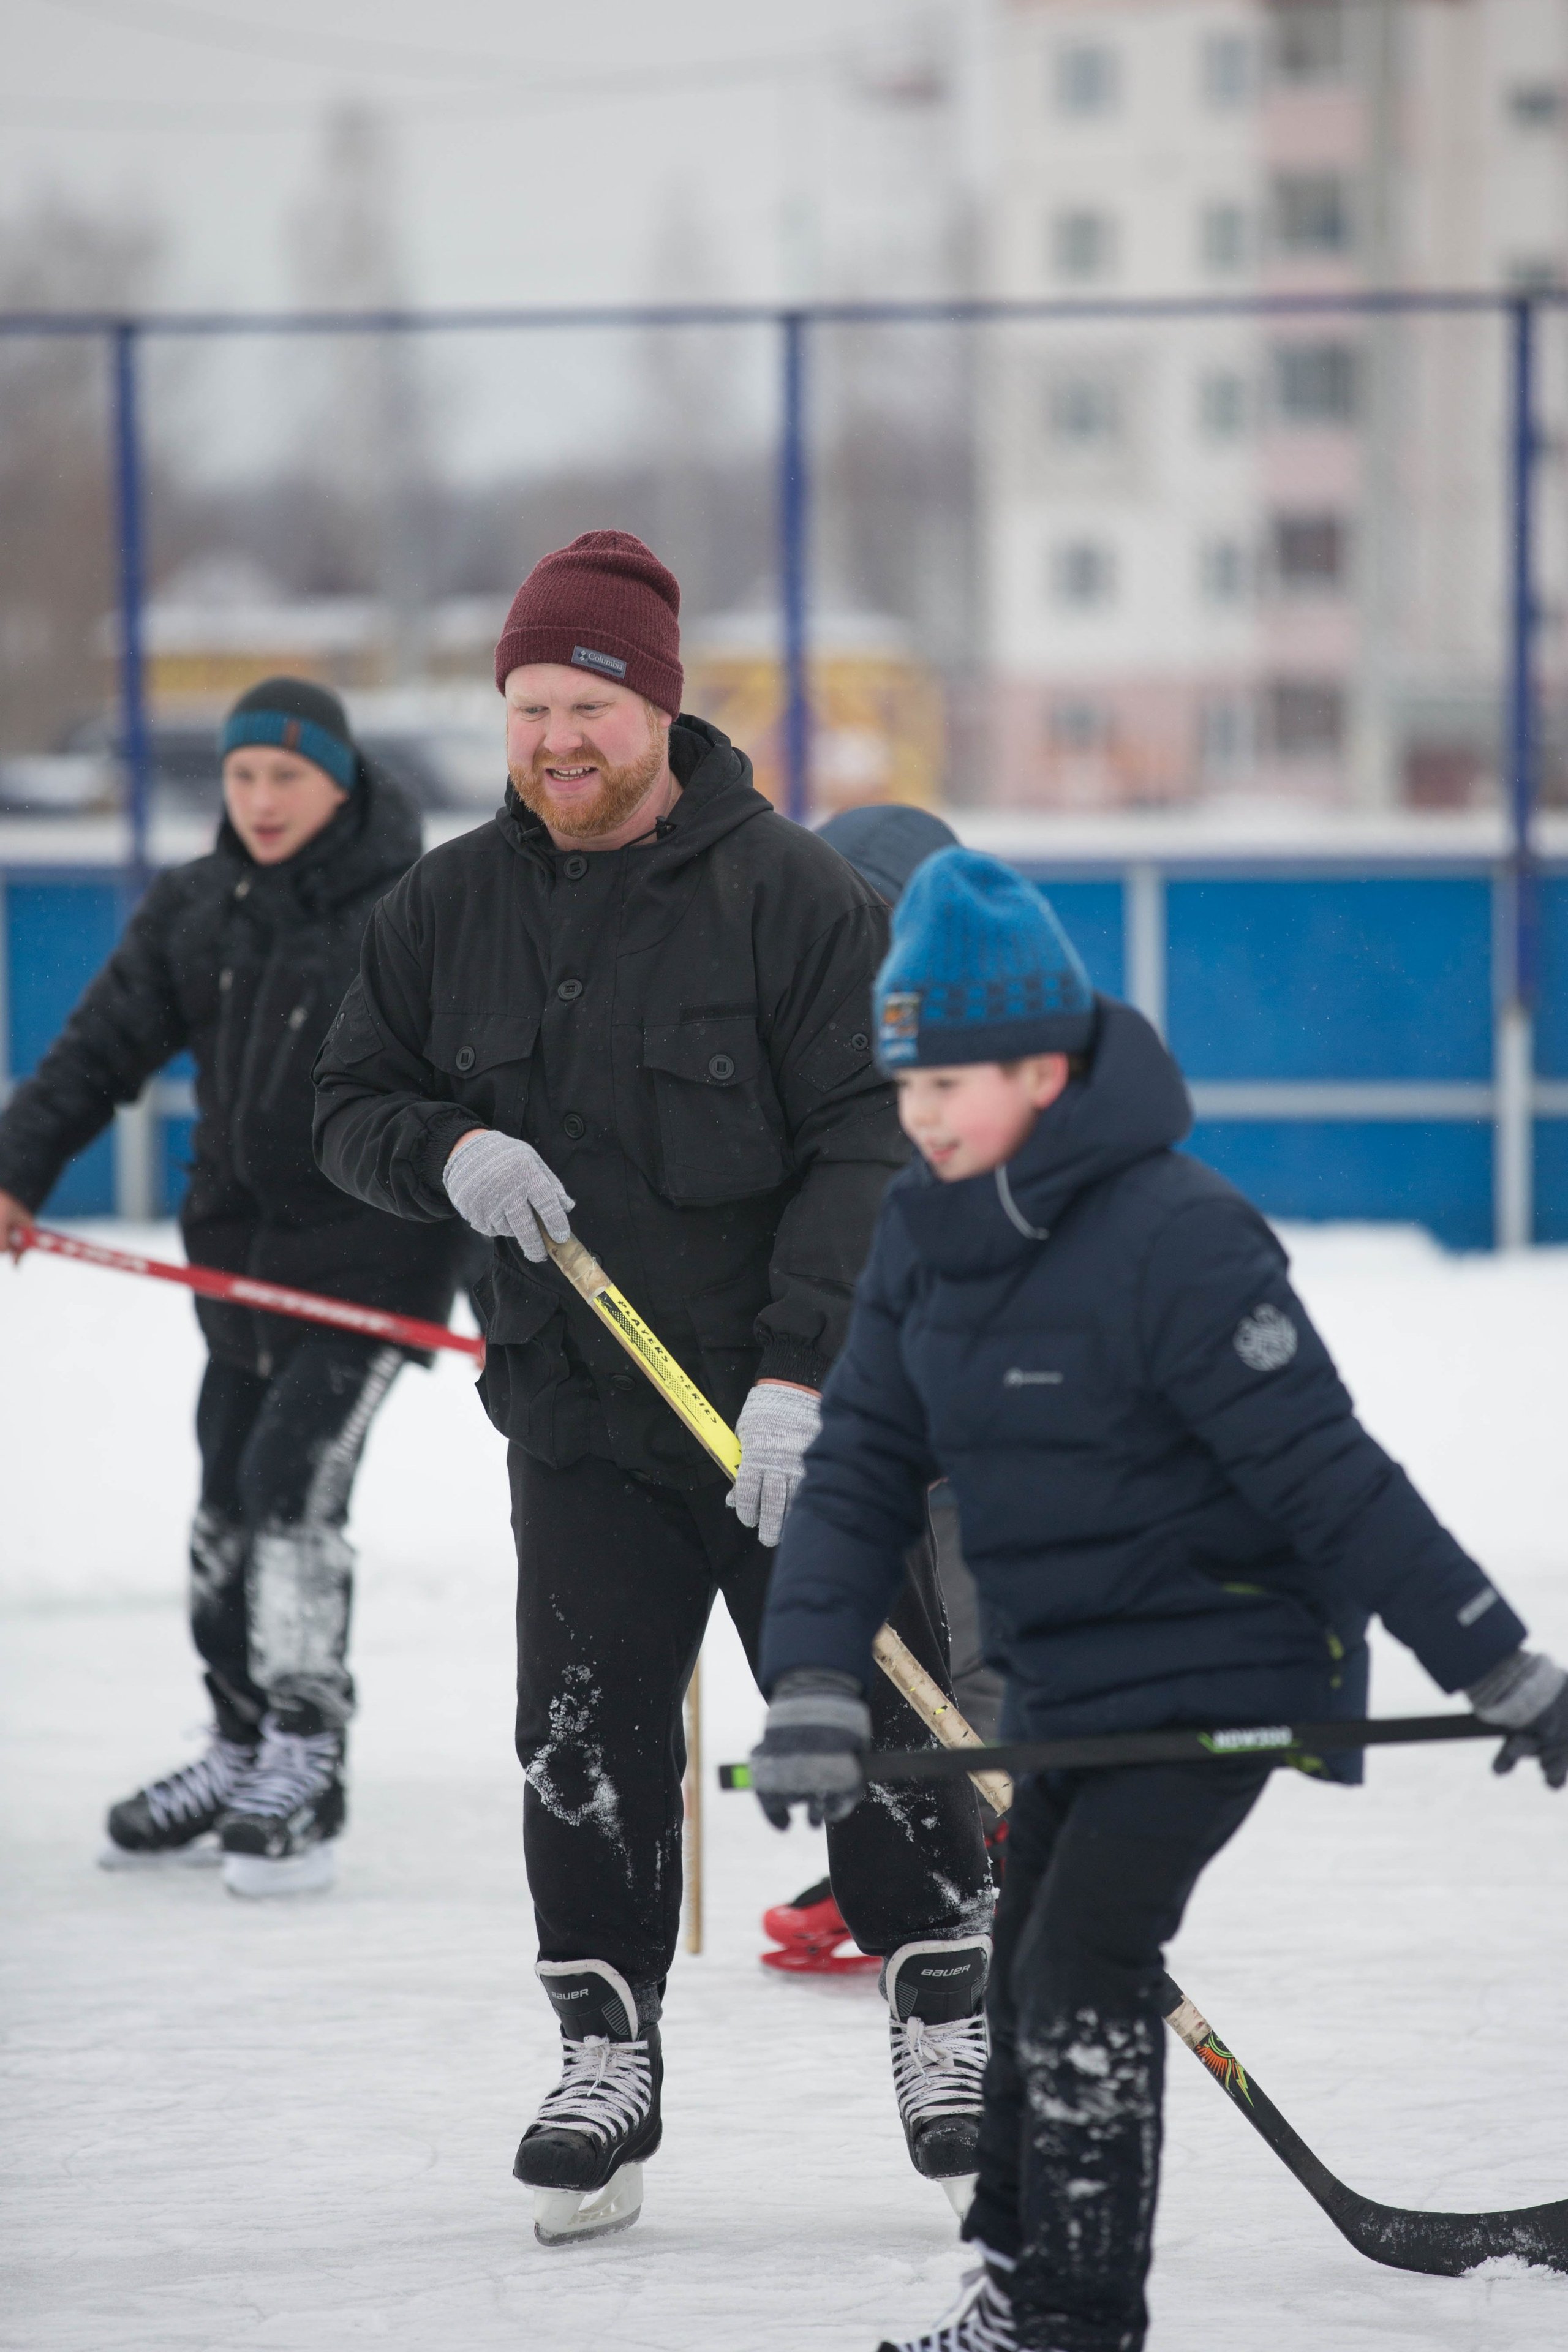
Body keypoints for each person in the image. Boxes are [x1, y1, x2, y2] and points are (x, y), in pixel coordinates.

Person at [748, 846, 1568, 2352]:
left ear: (1048, 1067)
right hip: (1068, 1679)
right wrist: (807, 1682)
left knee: (1078, 1969)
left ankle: (1072, 2318)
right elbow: (860, 1472)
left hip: (1220, 1661)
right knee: (1025, 1968)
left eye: (953, 1082)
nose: (919, 1114)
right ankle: (1012, 2287)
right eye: (905, 1084)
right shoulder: (922, 1240)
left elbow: (1333, 1477)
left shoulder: (1178, 1238)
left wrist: (1498, 1665)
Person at [311, 531, 994, 2243]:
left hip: (792, 1423)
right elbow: (346, 1102)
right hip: (586, 1420)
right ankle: (603, 2063)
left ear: (656, 713)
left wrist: (802, 1377)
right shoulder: (443, 909)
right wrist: (443, 1147)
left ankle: (947, 2016)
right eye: (529, 705)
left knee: (876, 1710)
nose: (554, 738)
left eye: (585, 707)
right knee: (586, 1743)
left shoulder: (796, 901)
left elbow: (866, 1146)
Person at [0, 679, 472, 1898]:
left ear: (340, 782)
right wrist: (17, 1172)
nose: (261, 801)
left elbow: (476, 1094)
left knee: (289, 1491)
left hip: (372, 1270)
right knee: (221, 1508)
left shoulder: (407, 915)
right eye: (243, 776)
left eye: (288, 778)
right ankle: (238, 1741)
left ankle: (305, 1754)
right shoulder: (199, 907)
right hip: (241, 1270)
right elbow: (96, 1051)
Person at [761, 806, 1006, 1978]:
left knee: (980, 1648)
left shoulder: (985, 1063)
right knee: (888, 1649)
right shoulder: (797, 1043)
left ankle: (997, 1837)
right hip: (869, 1424)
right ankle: (920, 1839)